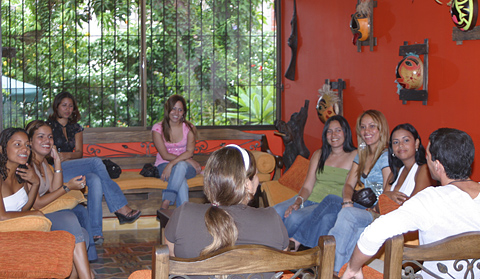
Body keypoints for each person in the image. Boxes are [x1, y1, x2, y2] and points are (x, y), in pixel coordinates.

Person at [341, 128, 480, 279]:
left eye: (428, 156)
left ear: (437, 165)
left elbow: (372, 235)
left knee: (351, 269)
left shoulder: (429, 199)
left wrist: (353, 268)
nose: (426, 159)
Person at [328, 123, 431, 273]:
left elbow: (414, 206)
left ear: (416, 143)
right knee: (346, 214)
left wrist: (385, 199)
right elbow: (380, 204)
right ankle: (338, 270)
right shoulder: (397, 170)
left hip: (401, 225)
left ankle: (339, 271)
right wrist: (386, 198)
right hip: (381, 218)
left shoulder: (423, 169)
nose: (400, 145)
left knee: (358, 229)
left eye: (406, 140)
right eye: (395, 142)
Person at [47, 91, 141, 244]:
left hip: (71, 165)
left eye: (71, 106)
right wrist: (58, 158)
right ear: (56, 106)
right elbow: (44, 151)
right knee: (96, 162)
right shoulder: (48, 127)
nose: (67, 109)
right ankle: (120, 207)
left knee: (95, 179)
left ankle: (95, 232)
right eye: (64, 105)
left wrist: (65, 155)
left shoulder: (76, 128)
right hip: (55, 170)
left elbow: (78, 153)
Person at [165, 144, 289, 259]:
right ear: (247, 185)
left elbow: (172, 259)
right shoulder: (272, 220)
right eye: (256, 175)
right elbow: (281, 262)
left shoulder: (184, 215)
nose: (258, 180)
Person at [290, 109, 391, 249]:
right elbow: (348, 184)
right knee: (327, 218)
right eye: (363, 127)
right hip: (360, 204)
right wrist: (347, 201)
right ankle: (318, 258)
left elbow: (388, 190)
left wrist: (375, 209)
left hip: (375, 210)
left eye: (372, 126)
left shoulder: (385, 156)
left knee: (331, 199)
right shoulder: (361, 154)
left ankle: (295, 242)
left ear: (382, 128)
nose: (367, 131)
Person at [273, 115, 357, 250]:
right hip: (308, 198)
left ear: (346, 132)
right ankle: (274, 245)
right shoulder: (319, 154)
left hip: (325, 205)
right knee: (276, 210)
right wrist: (298, 202)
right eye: (329, 131)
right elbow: (307, 185)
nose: (333, 135)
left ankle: (281, 249)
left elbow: (350, 186)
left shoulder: (355, 155)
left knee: (294, 218)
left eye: (338, 130)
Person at [26, 120, 98, 263]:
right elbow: (38, 204)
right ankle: (87, 274)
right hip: (35, 212)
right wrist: (68, 187)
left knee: (81, 215)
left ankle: (87, 264)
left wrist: (57, 161)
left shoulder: (43, 162)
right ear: (30, 141)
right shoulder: (28, 166)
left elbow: (54, 188)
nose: (47, 140)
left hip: (46, 207)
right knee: (70, 217)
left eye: (50, 137)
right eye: (41, 137)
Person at [152, 95, 201, 210]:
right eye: (173, 108)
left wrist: (171, 164)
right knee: (181, 180)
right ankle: (184, 216)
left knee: (181, 166)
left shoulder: (189, 128)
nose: (176, 112)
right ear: (168, 109)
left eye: (180, 110)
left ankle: (167, 200)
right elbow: (164, 155)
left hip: (183, 167)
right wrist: (186, 160)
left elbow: (190, 152)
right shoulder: (158, 128)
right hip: (163, 166)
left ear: (184, 112)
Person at [0, 128, 42, 219]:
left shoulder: (21, 174)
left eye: (27, 145)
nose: (25, 149)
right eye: (18, 144)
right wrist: (36, 214)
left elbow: (23, 210)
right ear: (2, 149)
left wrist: (36, 183)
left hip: (17, 226)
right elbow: (1, 216)